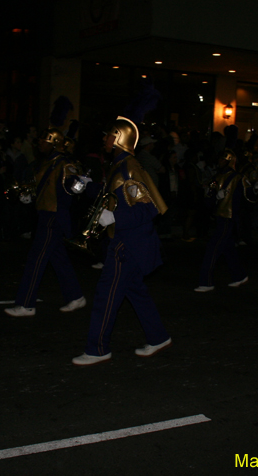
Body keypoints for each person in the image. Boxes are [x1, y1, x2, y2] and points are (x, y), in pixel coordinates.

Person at [73, 117, 171, 366]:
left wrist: (114, 217)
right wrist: (87, 187)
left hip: (127, 245)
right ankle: (158, 337)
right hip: (129, 244)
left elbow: (146, 209)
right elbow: (112, 193)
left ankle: (97, 350)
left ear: (118, 138)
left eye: (109, 135)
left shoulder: (128, 167)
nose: (105, 139)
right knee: (135, 292)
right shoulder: (121, 164)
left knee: (106, 297)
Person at [4, 128, 87, 317]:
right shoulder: (49, 162)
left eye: (44, 142)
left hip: (53, 216)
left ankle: (26, 304)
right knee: (58, 258)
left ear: (54, 143)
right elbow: (46, 187)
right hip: (46, 213)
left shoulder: (64, 163)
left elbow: (74, 186)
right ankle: (75, 296)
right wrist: (31, 196)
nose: (40, 144)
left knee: (37, 258)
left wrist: (79, 184)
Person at [194, 148, 253, 292]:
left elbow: (249, 198)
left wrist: (256, 188)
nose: (220, 162)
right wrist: (215, 197)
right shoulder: (217, 176)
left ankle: (206, 282)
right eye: (220, 159)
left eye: (223, 160)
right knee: (228, 248)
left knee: (213, 248)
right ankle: (240, 276)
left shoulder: (238, 177)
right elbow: (208, 200)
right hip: (221, 217)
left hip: (229, 218)